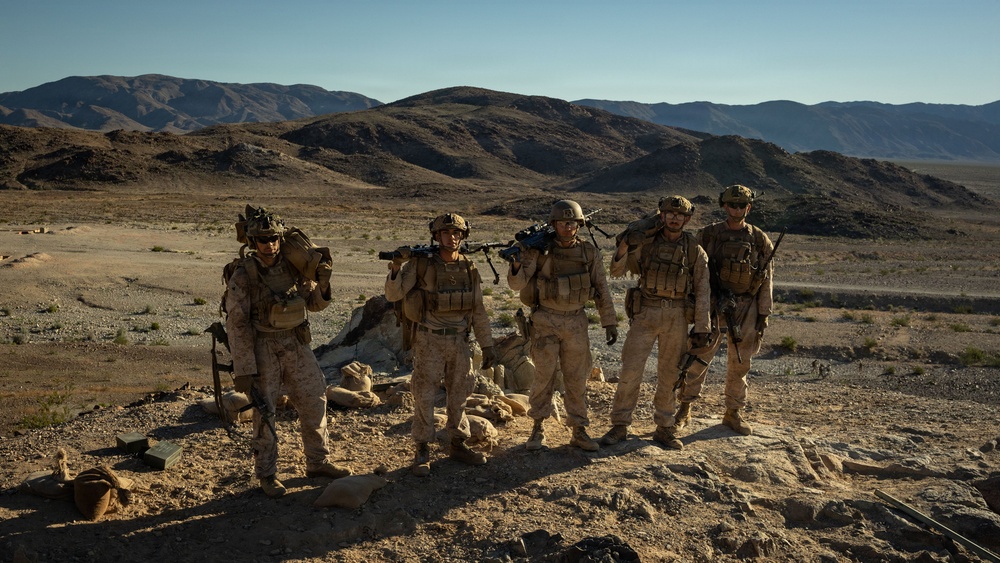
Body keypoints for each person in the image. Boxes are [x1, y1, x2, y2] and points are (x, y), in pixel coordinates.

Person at [224, 206, 351, 498]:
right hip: (263, 347)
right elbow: (237, 323)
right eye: (263, 240)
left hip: (295, 343)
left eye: (274, 239)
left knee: (314, 399)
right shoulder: (243, 274)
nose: (270, 245)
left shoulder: (294, 267)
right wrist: (244, 368)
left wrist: (323, 285)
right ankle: (267, 474)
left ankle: (318, 462)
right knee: (265, 411)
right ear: (253, 242)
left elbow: (314, 304)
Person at [384, 213, 496, 476]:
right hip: (429, 339)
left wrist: (488, 345)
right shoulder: (421, 266)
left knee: (460, 393)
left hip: (459, 340)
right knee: (424, 394)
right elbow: (393, 294)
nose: (452, 237)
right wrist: (396, 268)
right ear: (436, 236)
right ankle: (422, 448)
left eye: (457, 233)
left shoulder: (469, 268)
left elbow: (478, 310)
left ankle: (458, 442)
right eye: (446, 233)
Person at [599, 196, 711, 450]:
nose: (674, 218)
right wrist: (626, 243)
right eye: (669, 214)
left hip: (678, 316)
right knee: (630, 371)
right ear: (661, 216)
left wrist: (703, 327)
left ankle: (664, 427)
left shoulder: (694, 249)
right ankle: (619, 425)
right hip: (646, 313)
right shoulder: (646, 243)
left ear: (687, 219)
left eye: (679, 215)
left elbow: (703, 290)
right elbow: (616, 271)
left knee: (670, 375)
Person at [507, 200, 619, 452]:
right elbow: (516, 285)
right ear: (554, 224)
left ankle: (579, 429)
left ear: (579, 224)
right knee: (544, 376)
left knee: (576, 378)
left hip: (576, 322)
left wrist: (609, 321)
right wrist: (516, 263)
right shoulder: (539, 252)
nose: (567, 228)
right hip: (546, 320)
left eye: (572, 223)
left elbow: (601, 288)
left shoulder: (588, 252)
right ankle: (537, 428)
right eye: (562, 223)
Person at [675, 185, 775, 436]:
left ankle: (733, 412)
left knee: (740, 363)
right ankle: (684, 408)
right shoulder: (708, 235)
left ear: (748, 208)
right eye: (733, 205)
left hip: (746, 306)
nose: (737, 209)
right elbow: (693, 271)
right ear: (724, 206)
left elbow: (767, 276)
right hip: (713, 304)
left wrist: (764, 314)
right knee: (697, 356)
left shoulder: (759, 238)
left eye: (742, 206)